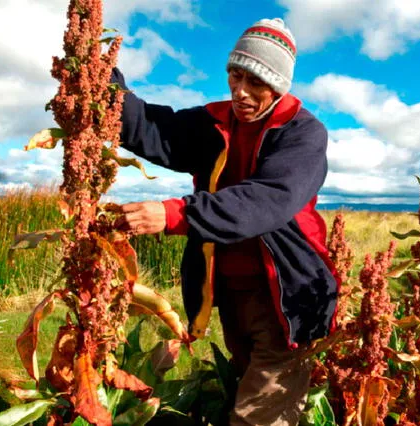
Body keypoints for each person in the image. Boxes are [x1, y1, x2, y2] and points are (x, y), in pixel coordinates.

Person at [112, 18, 339, 425]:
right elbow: (151, 129)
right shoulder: (214, 122)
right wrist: (104, 83)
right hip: (233, 293)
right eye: (235, 76)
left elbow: (266, 200)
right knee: (253, 391)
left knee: (259, 415)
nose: (241, 91)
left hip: (288, 294)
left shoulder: (303, 134)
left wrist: (172, 214)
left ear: (279, 86)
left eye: (256, 82)